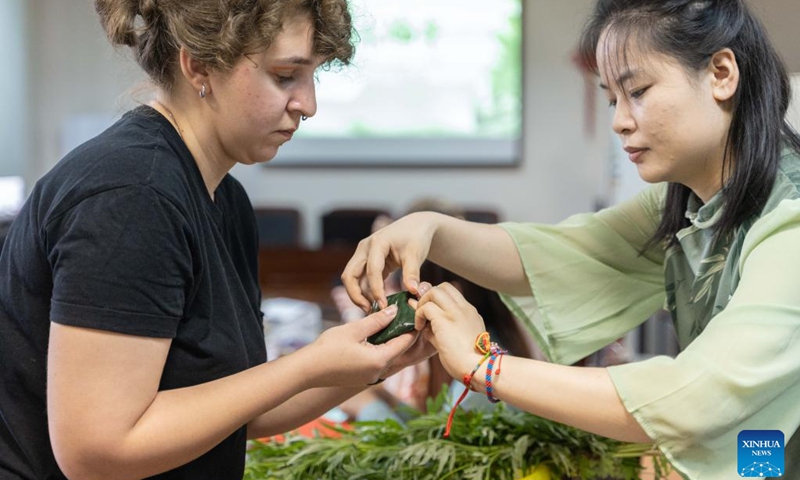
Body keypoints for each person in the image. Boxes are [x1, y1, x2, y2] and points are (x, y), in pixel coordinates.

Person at [342, 0, 800, 478]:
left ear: (722, 74)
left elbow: (703, 395)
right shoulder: (687, 200)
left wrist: (487, 367)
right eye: (611, 99)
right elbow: (560, 255)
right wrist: (431, 229)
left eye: (638, 91)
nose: (619, 121)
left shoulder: (791, 219)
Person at [0, 1, 433, 479]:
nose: (308, 105)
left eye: (314, 77)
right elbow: (96, 451)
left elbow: (237, 412)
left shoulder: (224, 199)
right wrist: (306, 364)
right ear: (199, 65)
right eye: (286, 75)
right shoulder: (133, 195)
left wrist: (380, 360)